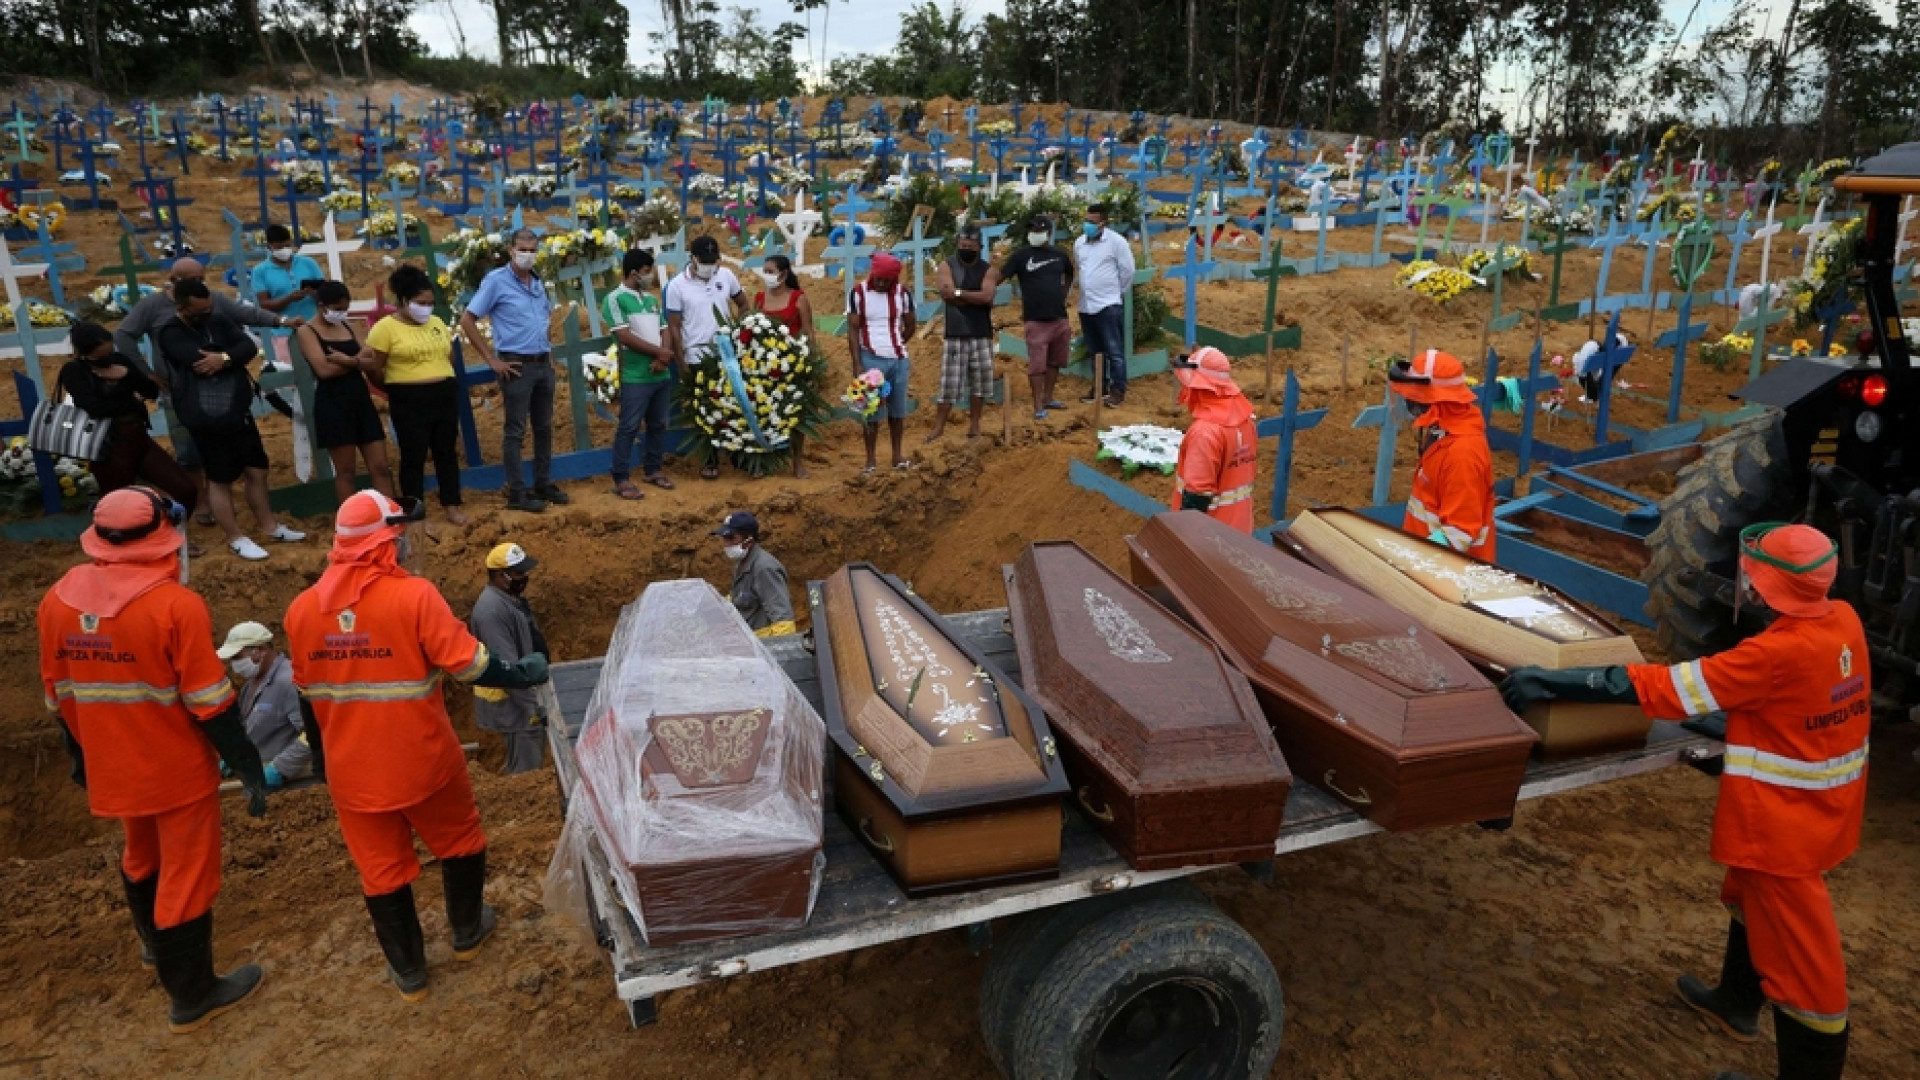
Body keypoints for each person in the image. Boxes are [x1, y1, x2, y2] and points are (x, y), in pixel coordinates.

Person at [1499, 523, 1865, 1080]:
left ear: (1766, 587)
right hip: (1824, 807)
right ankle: (1736, 1004)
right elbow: (1794, 704)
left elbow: (1668, 690)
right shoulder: (1844, 623)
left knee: (1805, 970)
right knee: (1747, 902)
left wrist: (1559, 683)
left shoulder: (1773, 654)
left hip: (1782, 829)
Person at [284, 490, 550, 1002]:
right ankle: (468, 933)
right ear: (388, 543)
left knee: (381, 872)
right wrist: (520, 672)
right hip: (424, 762)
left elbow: (308, 700)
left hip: (353, 775)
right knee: (461, 840)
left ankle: (410, 975)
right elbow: (471, 664)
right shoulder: (415, 596)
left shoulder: (300, 612)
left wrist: (324, 767)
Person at [37, 488, 268, 1032]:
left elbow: (57, 695)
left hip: (112, 765)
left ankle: (153, 948)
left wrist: (84, 756)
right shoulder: (174, 606)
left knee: (142, 857)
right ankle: (192, 993)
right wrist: (248, 765)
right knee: (185, 876)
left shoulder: (57, 601)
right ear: (163, 537)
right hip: (174, 770)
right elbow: (211, 703)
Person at [114, 257, 296, 527]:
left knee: (239, 454)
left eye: (201, 278)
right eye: (193, 279)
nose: (200, 284)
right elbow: (124, 335)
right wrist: (145, 371)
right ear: (174, 282)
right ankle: (201, 501)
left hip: (227, 393)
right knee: (188, 450)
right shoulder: (154, 308)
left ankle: (233, 502)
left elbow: (246, 320)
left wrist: (279, 320)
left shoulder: (212, 302)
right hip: (180, 390)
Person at [156, 279, 307, 561]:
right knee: (219, 478)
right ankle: (235, 537)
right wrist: (229, 356)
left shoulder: (219, 319)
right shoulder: (170, 332)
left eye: (210, 307)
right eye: (200, 310)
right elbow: (197, 361)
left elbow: (247, 347)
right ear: (182, 308)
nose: (207, 313)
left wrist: (223, 357)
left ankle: (269, 526)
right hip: (206, 417)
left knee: (257, 470)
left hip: (238, 409)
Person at [460, 228, 568, 513]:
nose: (528, 255)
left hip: (542, 363)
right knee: (515, 431)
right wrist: (491, 360)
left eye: (533, 250)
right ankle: (517, 492)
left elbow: (541, 318)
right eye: (523, 249)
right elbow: (468, 320)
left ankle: (542, 483)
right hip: (516, 365)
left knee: (544, 427)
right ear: (511, 250)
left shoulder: (536, 282)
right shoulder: (496, 281)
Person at [58, 322, 197, 517]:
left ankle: (170, 537)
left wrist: (127, 374)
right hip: (107, 447)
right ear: (83, 353)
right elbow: (95, 409)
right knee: (118, 508)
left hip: (139, 439)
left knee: (185, 489)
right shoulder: (74, 371)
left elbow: (150, 391)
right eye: (101, 356)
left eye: (110, 350)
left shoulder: (119, 361)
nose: (108, 358)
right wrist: (131, 401)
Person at [366, 265, 467, 526]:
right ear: (403, 301)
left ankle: (452, 504)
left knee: (446, 451)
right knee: (414, 455)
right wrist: (398, 390)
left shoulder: (436, 323)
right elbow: (375, 369)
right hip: (408, 398)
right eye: (420, 303)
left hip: (442, 394)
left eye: (431, 303)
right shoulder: (385, 328)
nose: (427, 308)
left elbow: (450, 356)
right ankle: (413, 509)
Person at [1387, 349, 1496, 560]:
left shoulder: (1462, 454)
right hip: (1428, 558)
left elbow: (1459, 534)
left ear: (1434, 402)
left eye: (1414, 400)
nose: (1411, 406)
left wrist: (1413, 560)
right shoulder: (1442, 431)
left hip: (1448, 573)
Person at [296, 281, 395, 508]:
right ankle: (352, 524)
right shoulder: (307, 331)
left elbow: (372, 360)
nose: (341, 313)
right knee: (346, 471)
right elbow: (324, 370)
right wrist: (358, 362)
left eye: (344, 308)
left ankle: (391, 515)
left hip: (360, 401)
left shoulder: (348, 326)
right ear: (322, 306)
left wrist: (350, 361)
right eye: (337, 308)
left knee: (381, 466)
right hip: (333, 404)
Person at [665, 235, 747, 480]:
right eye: (706, 261)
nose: (711, 266)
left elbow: (743, 304)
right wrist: (681, 363)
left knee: (732, 406)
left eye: (715, 260)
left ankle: (735, 454)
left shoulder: (726, 276)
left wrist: (737, 330)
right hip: (696, 356)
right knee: (704, 411)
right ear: (694, 259)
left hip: (726, 354)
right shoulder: (677, 286)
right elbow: (675, 329)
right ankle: (710, 460)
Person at [982, 215, 1074, 420]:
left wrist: (1063, 292)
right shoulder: (1021, 256)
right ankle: (1038, 405)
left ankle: (1049, 397)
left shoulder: (1060, 255)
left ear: (1049, 234)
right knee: (1037, 365)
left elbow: (1070, 273)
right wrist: (986, 291)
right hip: (1035, 319)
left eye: (1039, 231)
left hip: (1059, 317)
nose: (1034, 234)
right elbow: (999, 277)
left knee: (1055, 361)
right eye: (1032, 231)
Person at [469, 543, 550, 775]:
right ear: (499, 576)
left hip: (519, 700)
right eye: (517, 573)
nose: (523, 577)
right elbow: (508, 670)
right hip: (512, 706)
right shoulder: (491, 611)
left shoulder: (510, 599)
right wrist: (534, 709)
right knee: (525, 771)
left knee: (523, 760)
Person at [602, 249, 675, 499]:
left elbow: (664, 328)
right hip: (635, 375)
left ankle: (653, 469)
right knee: (629, 426)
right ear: (634, 273)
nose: (650, 276)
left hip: (659, 373)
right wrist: (661, 354)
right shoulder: (615, 298)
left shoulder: (652, 300)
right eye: (647, 271)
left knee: (657, 424)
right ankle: (621, 477)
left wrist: (663, 356)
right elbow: (623, 335)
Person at [1169, 347, 1258, 533]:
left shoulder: (1205, 432)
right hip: (1240, 532)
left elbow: (1197, 494)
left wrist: (1183, 537)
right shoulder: (1245, 420)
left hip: (1209, 540)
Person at [215, 621, 311, 788]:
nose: (234, 664)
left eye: (237, 657)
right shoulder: (250, 686)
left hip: (294, 787)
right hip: (262, 784)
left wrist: (279, 769)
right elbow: (252, 730)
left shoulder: (288, 682)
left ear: (260, 650)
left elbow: (313, 734)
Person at [846, 251, 916, 472]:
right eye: (878, 279)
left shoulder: (903, 294)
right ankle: (870, 460)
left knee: (897, 411)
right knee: (871, 413)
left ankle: (897, 456)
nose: (882, 283)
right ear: (872, 274)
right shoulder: (858, 293)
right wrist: (857, 363)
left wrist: (896, 344)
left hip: (898, 360)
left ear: (894, 279)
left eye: (887, 280)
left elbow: (911, 325)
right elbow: (853, 330)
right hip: (870, 359)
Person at [929, 226, 995, 441]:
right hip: (956, 333)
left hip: (981, 333)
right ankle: (939, 428)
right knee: (948, 384)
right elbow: (946, 294)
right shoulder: (947, 265)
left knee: (980, 383)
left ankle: (975, 425)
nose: (966, 249)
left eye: (970, 246)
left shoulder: (987, 270)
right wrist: (970, 295)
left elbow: (987, 297)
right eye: (963, 245)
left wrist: (959, 292)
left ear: (979, 247)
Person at [751, 254, 815, 477]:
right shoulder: (759, 298)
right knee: (762, 413)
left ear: (784, 274)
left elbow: (808, 333)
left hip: (792, 366)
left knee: (795, 414)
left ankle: (797, 462)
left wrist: (810, 365)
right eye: (765, 271)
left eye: (771, 271)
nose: (767, 275)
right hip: (763, 367)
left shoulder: (798, 298)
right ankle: (762, 462)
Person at [1074, 203, 1137, 407]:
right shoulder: (1079, 244)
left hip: (1108, 304)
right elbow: (1081, 269)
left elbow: (1127, 271)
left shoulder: (1116, 243)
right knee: (1095, 351)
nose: (1087, 225)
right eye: (1086, 221)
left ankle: (1118, 389)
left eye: (1092, 222)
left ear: (1103, 223)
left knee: (1114, 351)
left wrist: (1115, 293)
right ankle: (1099, 387)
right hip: (1086, 305)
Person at [714, 511, 794, 636]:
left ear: (749, 541)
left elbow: (783, 621)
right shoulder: (741, 563)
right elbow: (740, 597)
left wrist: (779, 651)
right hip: (749, 642)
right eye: (724, 538)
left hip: (763, 644)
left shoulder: (764, 568)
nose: (726, 543)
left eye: (731, 538)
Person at [251, 224, 323, 325]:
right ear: (269, 247)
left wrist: (313, 293)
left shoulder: (308, 263)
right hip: (283, 330)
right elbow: (264, 304)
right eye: (279, 247)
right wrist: (289, 299)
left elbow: (324, 290)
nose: (284, 249)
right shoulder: (260, 271)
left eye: (287, 246)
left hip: (313, 324)